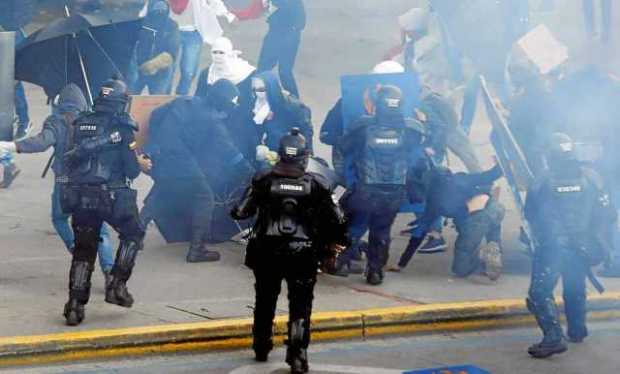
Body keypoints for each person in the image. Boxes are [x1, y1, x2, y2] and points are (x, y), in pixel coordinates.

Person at [231, 128, 348, 374]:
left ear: (280, 155)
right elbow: (338, 220)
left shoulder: (263, 179)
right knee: (301, 304)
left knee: (264, 299)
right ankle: (298, 355)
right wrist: (333, 247)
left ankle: (261, 345)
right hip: (303, 251)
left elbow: (240, 212)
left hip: (266, 250)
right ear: (304, 157)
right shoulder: (317, 184)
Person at [0, 84, 114, 281]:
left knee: (60, 219)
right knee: (100, 228)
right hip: (93, 182)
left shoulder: (57, 122)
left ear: (59, 104)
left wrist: (13, 146)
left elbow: (41, 142)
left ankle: (78, 251)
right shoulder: (96, 122)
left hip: (65, 181)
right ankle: (109, 271)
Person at [61, 78, 145, 326]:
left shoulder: (80, 123)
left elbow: (68, 160)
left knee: (83, 251)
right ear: (120, 102)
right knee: (133, 234)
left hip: (81, 197)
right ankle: (117, 285)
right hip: (112, 195)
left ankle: (74, 306)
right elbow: (131, 171)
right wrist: (138, 161)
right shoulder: (122, 127)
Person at [524, 133, 616, 358]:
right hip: (582, 245)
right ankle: (577, 329)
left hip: (552, 247)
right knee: (574, 287)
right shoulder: (592, 178)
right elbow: (608, 213)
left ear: (550, 155)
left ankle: (553, 337)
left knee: (539, 293)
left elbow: (530, 214)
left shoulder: (542, 180)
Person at [141, 79, 252, 258]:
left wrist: (156, 141)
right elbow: (229, 151)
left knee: (163, 189)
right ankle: (197, 249)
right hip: (180, 159)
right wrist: (250, 171)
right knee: (205, 196)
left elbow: (155, 114)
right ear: (223, 101)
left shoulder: (184, 101)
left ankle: (135, 235)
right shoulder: (213, 121)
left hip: (160, 153)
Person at [340, 85, 425, 285]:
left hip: (365, 190)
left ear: (378, 104)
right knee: (382, 231)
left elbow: (344, 147)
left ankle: (337, 260)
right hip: (393, 192)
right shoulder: (411, 129)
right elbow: (417, 159)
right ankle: (375, 271)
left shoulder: (363, 126)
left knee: (349, 226)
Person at [397, 160, 505, 280]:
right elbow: (489, 175)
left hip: (477, 220)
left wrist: (402, 263)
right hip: (496, 209)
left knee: (460, 268)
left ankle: (483, 262)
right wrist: (503, 164)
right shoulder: (461, 178)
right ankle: (494, 247)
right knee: (491, 230)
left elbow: (419, 233)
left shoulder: (435, 202)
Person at [195, 37, 258, 161]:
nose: (217, 56)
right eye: (215, 52)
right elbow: (199, 97)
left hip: (239, 121)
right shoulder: (207, 74)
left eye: (221, 52)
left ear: (229, 53)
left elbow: (249, 102)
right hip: (212, 121)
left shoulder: (246, 73)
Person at [249, 71, 313, 163]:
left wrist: (291, 155)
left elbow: (306, 134)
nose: (257, 93)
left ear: (271, 88)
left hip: (288, 156)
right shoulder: (256, 104)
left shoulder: (293, 107)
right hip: (267, 154)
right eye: (254, 89)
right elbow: (256, 130)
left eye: (261, 89)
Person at [129, 0, 180, 95]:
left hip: (161, 71)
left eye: (162, 10)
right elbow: (129, 47)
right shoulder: (140, 23)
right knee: (130, 100)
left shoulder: (172, 26)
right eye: (157, 10)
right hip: (138, 69)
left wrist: (153, 65)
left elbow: (172, 53)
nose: (159, 12)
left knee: (158, 104)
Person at [257, 0, 306, 98]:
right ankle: (259, 98)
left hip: (289, 33)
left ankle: (295, 102)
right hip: (275, 32)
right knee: (263, 69)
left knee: (284, 71)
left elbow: (301, 21)